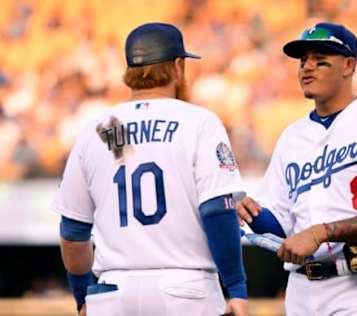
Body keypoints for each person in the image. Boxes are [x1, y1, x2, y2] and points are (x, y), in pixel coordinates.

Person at [52, 22, 248, 316]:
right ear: (178, 66)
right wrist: (236, 287)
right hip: (186, 288)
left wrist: (82, 297)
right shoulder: (200, 122)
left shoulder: (95, 129)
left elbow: (72, 233)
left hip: (112, 293)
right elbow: (217, 210)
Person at [236, 22, 357, 315]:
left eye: (321, 60)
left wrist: (322, 232)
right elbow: (284, 230)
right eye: (303, 61)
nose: (307, 68)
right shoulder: (291, 137)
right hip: (302, 290)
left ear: (349, 65)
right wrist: (250, 212)